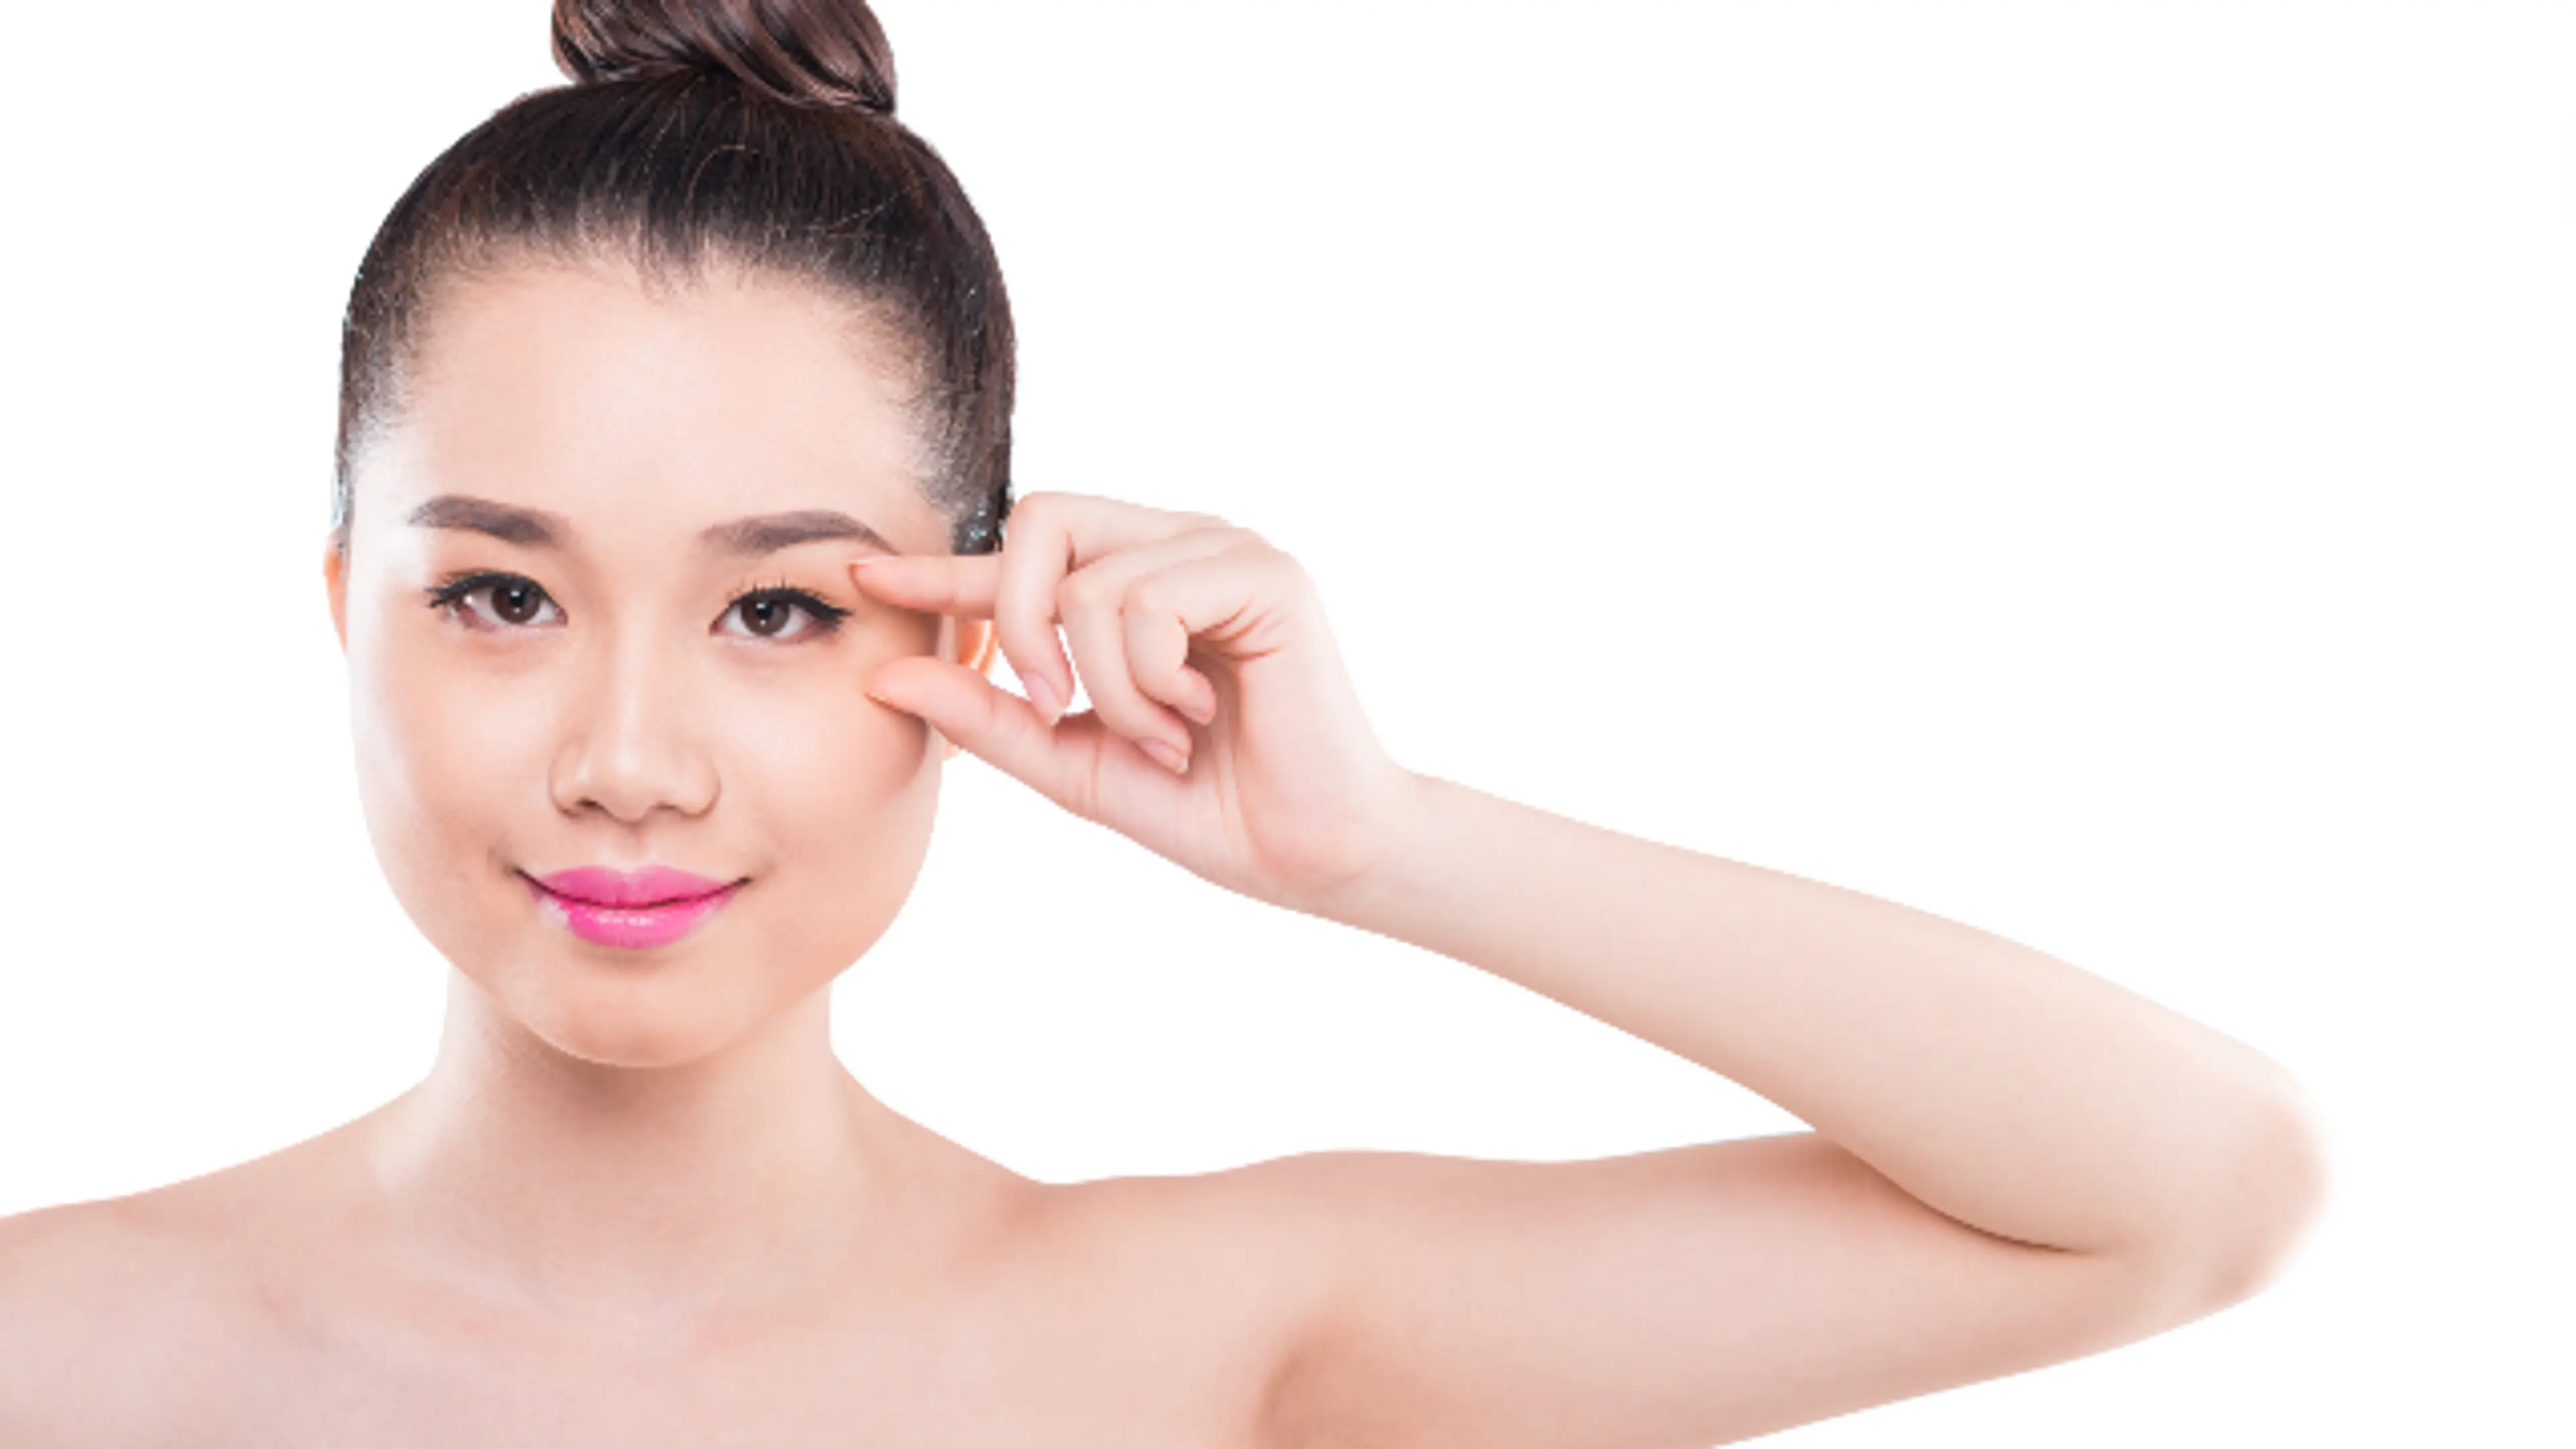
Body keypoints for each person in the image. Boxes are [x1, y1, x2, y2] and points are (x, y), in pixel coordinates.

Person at [0, 1, 2329, 1442]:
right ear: (340, 611)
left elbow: (2190, 1197)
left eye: (784, 610)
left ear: (976, 622)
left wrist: (1385, 844)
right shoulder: (56, 1360)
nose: (632, 752)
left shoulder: (1214, 1352)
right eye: (502, 591)